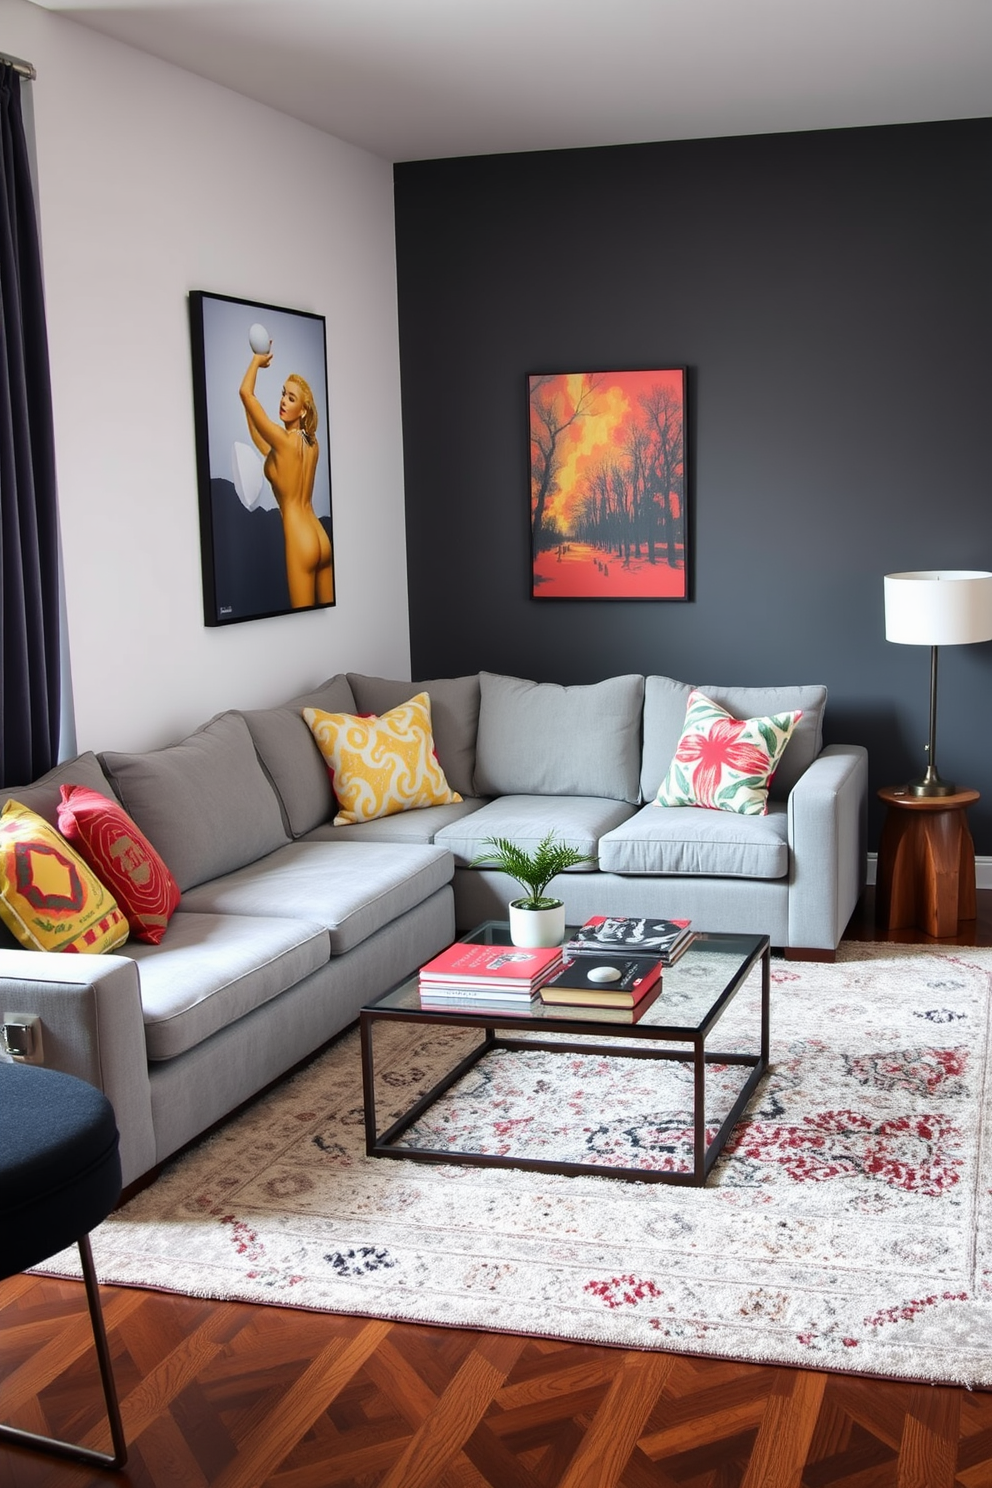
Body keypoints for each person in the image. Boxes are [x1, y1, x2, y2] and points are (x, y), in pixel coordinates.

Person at [239, 345, 333, 608]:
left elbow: (245, 393)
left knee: (303, 625)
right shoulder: (311, 444)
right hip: (320, 538)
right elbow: (263, 442)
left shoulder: (283, 442)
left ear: (303, 410)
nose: (283, 401)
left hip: (300, 542)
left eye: (291, 398)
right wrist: (250, 409)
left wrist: (256, 362)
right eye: (283, 394)